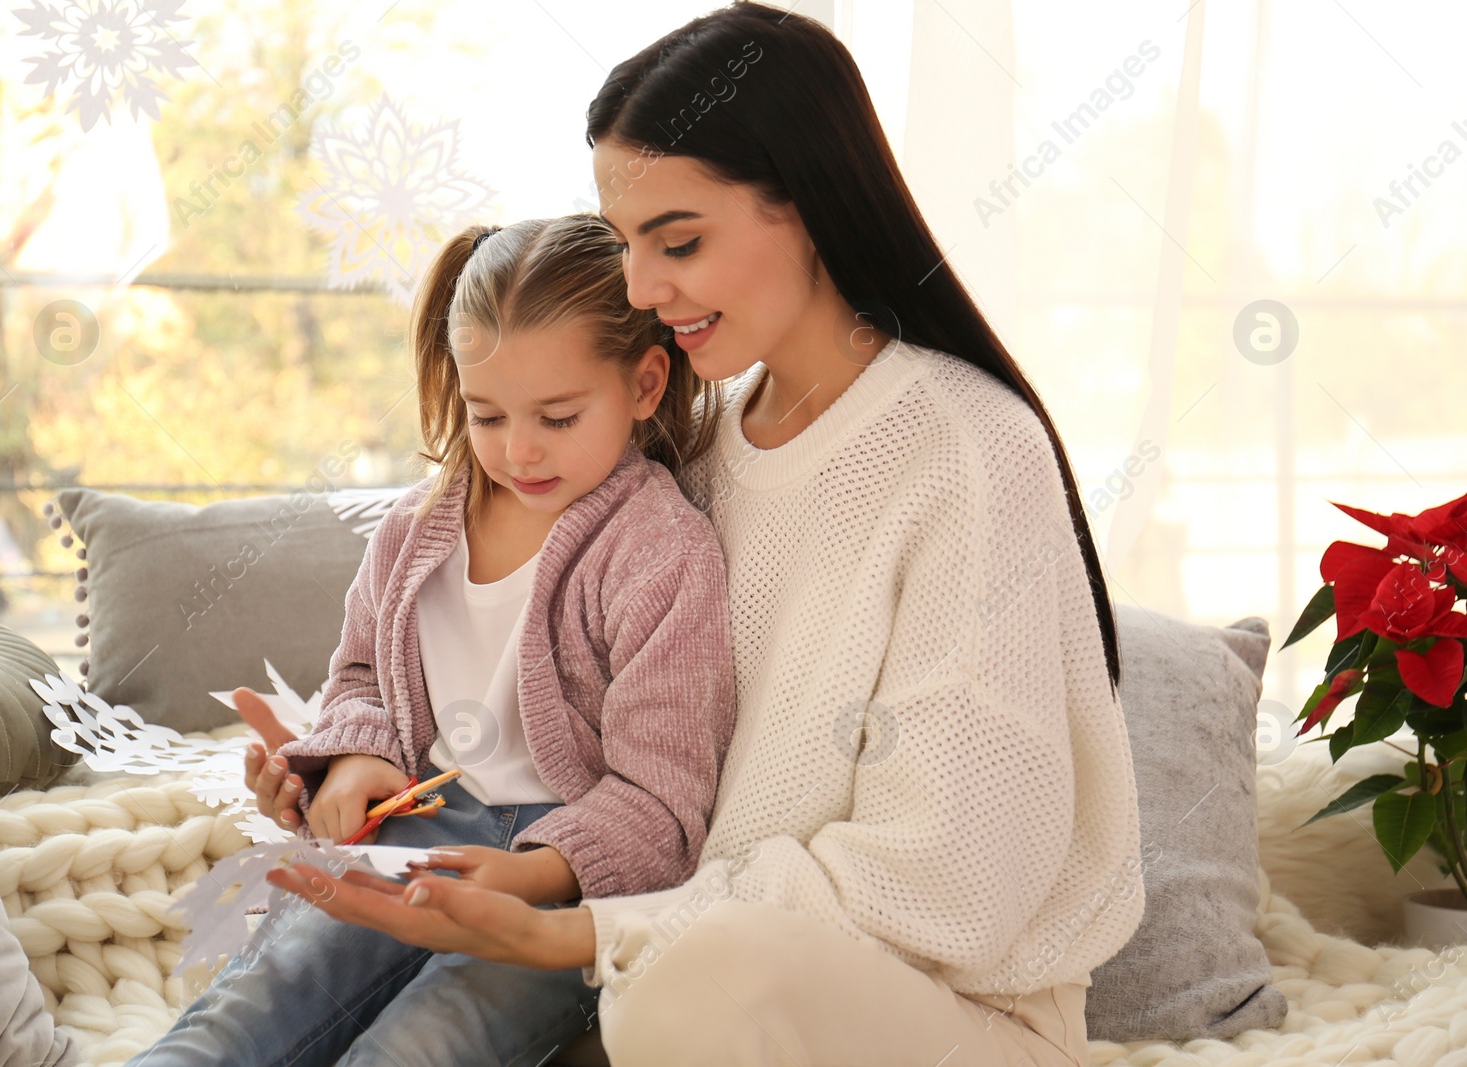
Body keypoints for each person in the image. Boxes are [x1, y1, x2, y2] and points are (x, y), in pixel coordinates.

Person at [265, 4, 1149, 1065]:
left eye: (677, 241)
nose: (642, 289)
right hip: (657, 962)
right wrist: (347, 761)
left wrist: (587, 930)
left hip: (938, 1013)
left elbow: (948, 880)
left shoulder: (967, 448)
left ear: (809, 203)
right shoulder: (683, 464)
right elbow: (549, 722)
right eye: (628, 243)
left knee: (691, 982)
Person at [129, 214, 737, 1067]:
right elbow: (362, 679)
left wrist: (525, 878)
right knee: (244, 1015)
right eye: (486, 415)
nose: (518, 450)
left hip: (555, 886)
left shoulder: (661, 552)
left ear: (643, 385)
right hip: (414, 826)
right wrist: (352, 765)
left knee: (422, 1048)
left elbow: (663, 800)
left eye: (558, 417)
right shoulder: (414, 531)